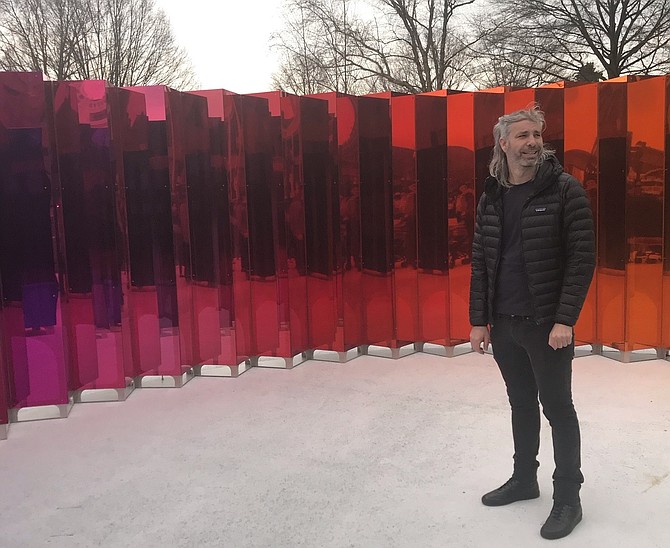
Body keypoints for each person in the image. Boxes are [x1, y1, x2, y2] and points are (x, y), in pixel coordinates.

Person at [469, 105, 595, 540]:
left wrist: (565, 319)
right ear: (502, 143)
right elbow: (481, 262)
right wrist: (479, 320)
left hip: (546, 326)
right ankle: (525, 480)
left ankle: (568, 500)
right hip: (503, 324)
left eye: (536, 135)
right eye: (521, 136)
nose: (532, 143)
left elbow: (582, 260)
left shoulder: (564, 190)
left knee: (558, 408)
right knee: (521, 405)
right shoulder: (492, 195)